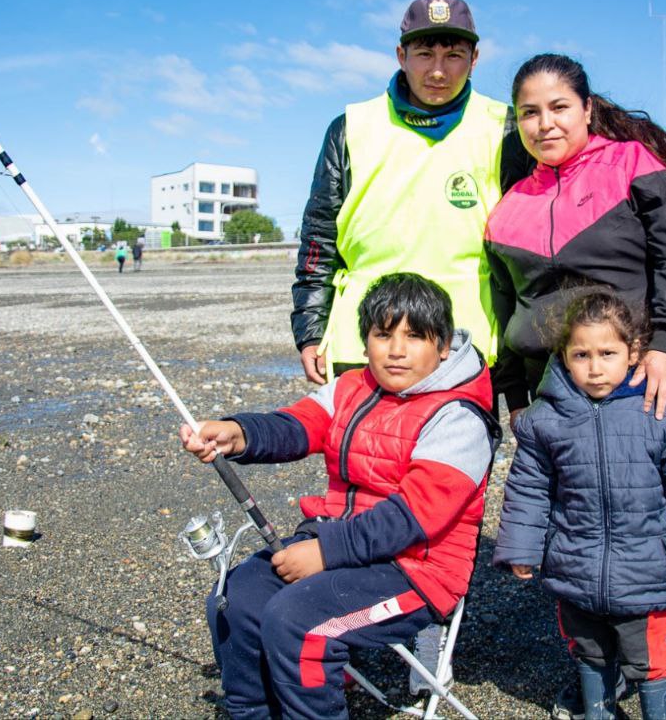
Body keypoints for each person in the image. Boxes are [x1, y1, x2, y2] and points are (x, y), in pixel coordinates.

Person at [484, 54, 666, 719]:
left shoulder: (632, 164)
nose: (545, 122)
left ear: (587, 108)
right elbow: (507, 305)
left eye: (558, 107)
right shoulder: (510, 204)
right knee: (586, 533)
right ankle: (606, 669)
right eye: (529, 112)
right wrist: (516, 394)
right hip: (564, 396)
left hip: (659, 380)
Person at [181, 273, 499, 719]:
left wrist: (325, 553)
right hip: (337, 544)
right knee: (233, 600)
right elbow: (296, 425)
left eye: (415, 336)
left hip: (416, 571)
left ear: (443, 346)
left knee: (298, 624)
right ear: (366, 339)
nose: (396, 349)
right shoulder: (354, 386)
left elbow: (412, 518)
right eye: (382, 334)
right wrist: (237, 434)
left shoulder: (459, 416)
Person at [494, 293, 666, 720]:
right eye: (581, 354)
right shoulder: (545, 419)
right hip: (575, 570)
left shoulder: (660, 411)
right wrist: (521, 547)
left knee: (652, 658)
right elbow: (529, 487)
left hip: (646, 573)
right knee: (589, 652)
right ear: (564, 357)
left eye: (608, 353)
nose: (595, 366)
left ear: (634, 351)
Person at [291, 0, 529, 384]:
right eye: (423, 54)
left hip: (463, 347)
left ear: (475, 59)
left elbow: (524, 250)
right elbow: (319, 240)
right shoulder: (350, 127)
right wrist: (310, 331)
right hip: (365, 344)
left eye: (453, 55)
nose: (438, 71)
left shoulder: (504, 127)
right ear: (401, 56)